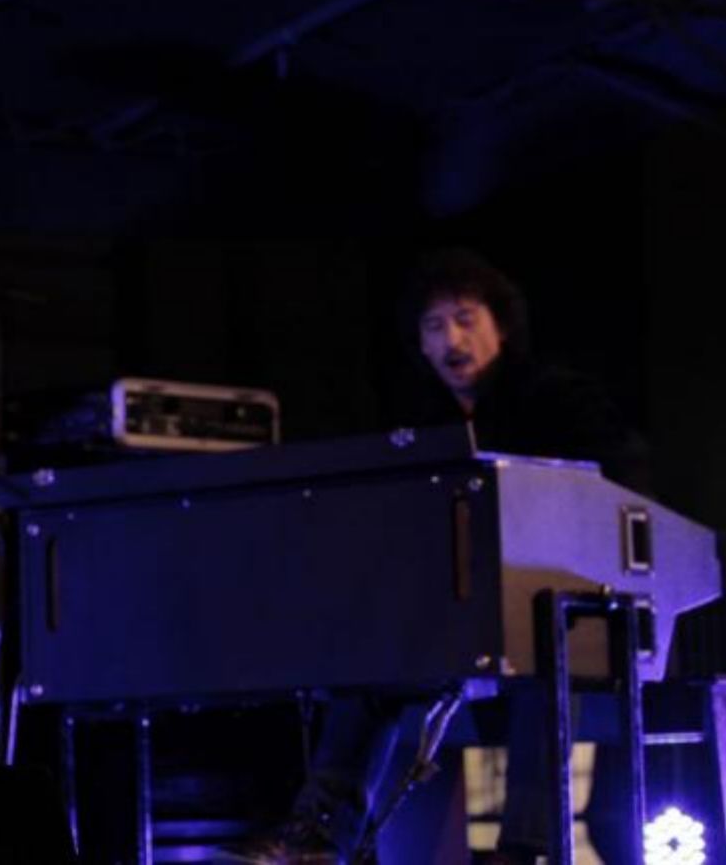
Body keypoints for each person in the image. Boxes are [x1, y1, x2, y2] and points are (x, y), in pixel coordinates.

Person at [214, 249, 649, 865]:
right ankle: (318, 837)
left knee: (545, 664)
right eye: (434, 326)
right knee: (365, 660)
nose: (452, 339)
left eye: (466, 320)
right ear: (419, 344)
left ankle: (525, 849)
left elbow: (619, 487)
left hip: (557, 614)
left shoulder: (557, 398)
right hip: (452, 624)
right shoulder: (420, 423)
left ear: (501, 326)